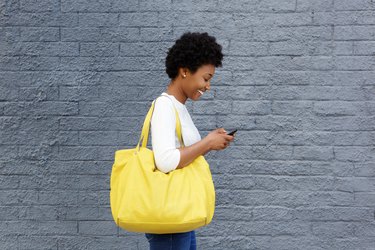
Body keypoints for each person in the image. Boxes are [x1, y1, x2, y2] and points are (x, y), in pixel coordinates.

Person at [145, 31, 235, 250]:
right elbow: (166, 161)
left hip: (179, 211)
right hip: (170, 218)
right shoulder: (165, 106)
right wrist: (206, 143)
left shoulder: (179, 107)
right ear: (184, 71)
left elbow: (182, 155)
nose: (208, 86)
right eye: (206, 78)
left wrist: (211, 142)